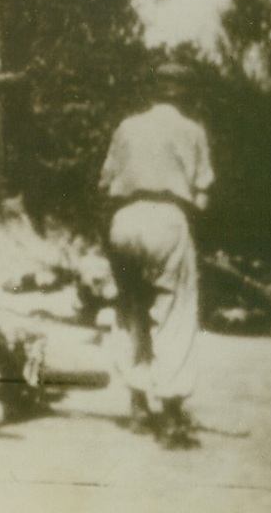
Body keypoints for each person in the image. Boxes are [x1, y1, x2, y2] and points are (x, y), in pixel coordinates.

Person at [98, 61, 214, 449]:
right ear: (184, 93)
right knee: (175, 312)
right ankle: (170, 415)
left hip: (126, 217)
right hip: (167, 218)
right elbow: (202, 194)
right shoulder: (192, 131)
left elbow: (105, 182)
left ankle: (137, 404)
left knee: (131, 308)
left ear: (154, 90)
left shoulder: (128, 127)